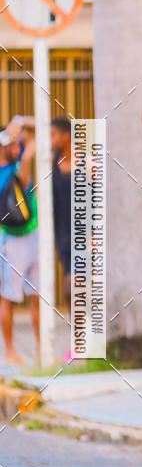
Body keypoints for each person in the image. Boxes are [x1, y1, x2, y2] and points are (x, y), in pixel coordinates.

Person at [0, 116, 39, 365]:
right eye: (11, 145)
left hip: (34, 233)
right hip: (11, 239)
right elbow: (22, 184)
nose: (17, 147)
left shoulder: (18, 155)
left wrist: (21, 122)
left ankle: (41, 349)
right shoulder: (7, 171)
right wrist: (24, 160)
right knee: (9, 295)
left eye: (17, 144)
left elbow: (41, 129)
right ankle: (11, 352)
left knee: (39, 293)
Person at [50, 117, 72, 307]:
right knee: (72, 290)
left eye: (53, 134)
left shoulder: (86, 162)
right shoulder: (51, 161)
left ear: (66, 136)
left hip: (85, 234)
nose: (48, 139)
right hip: (63, 234)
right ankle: (79, 332)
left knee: (73, 286)